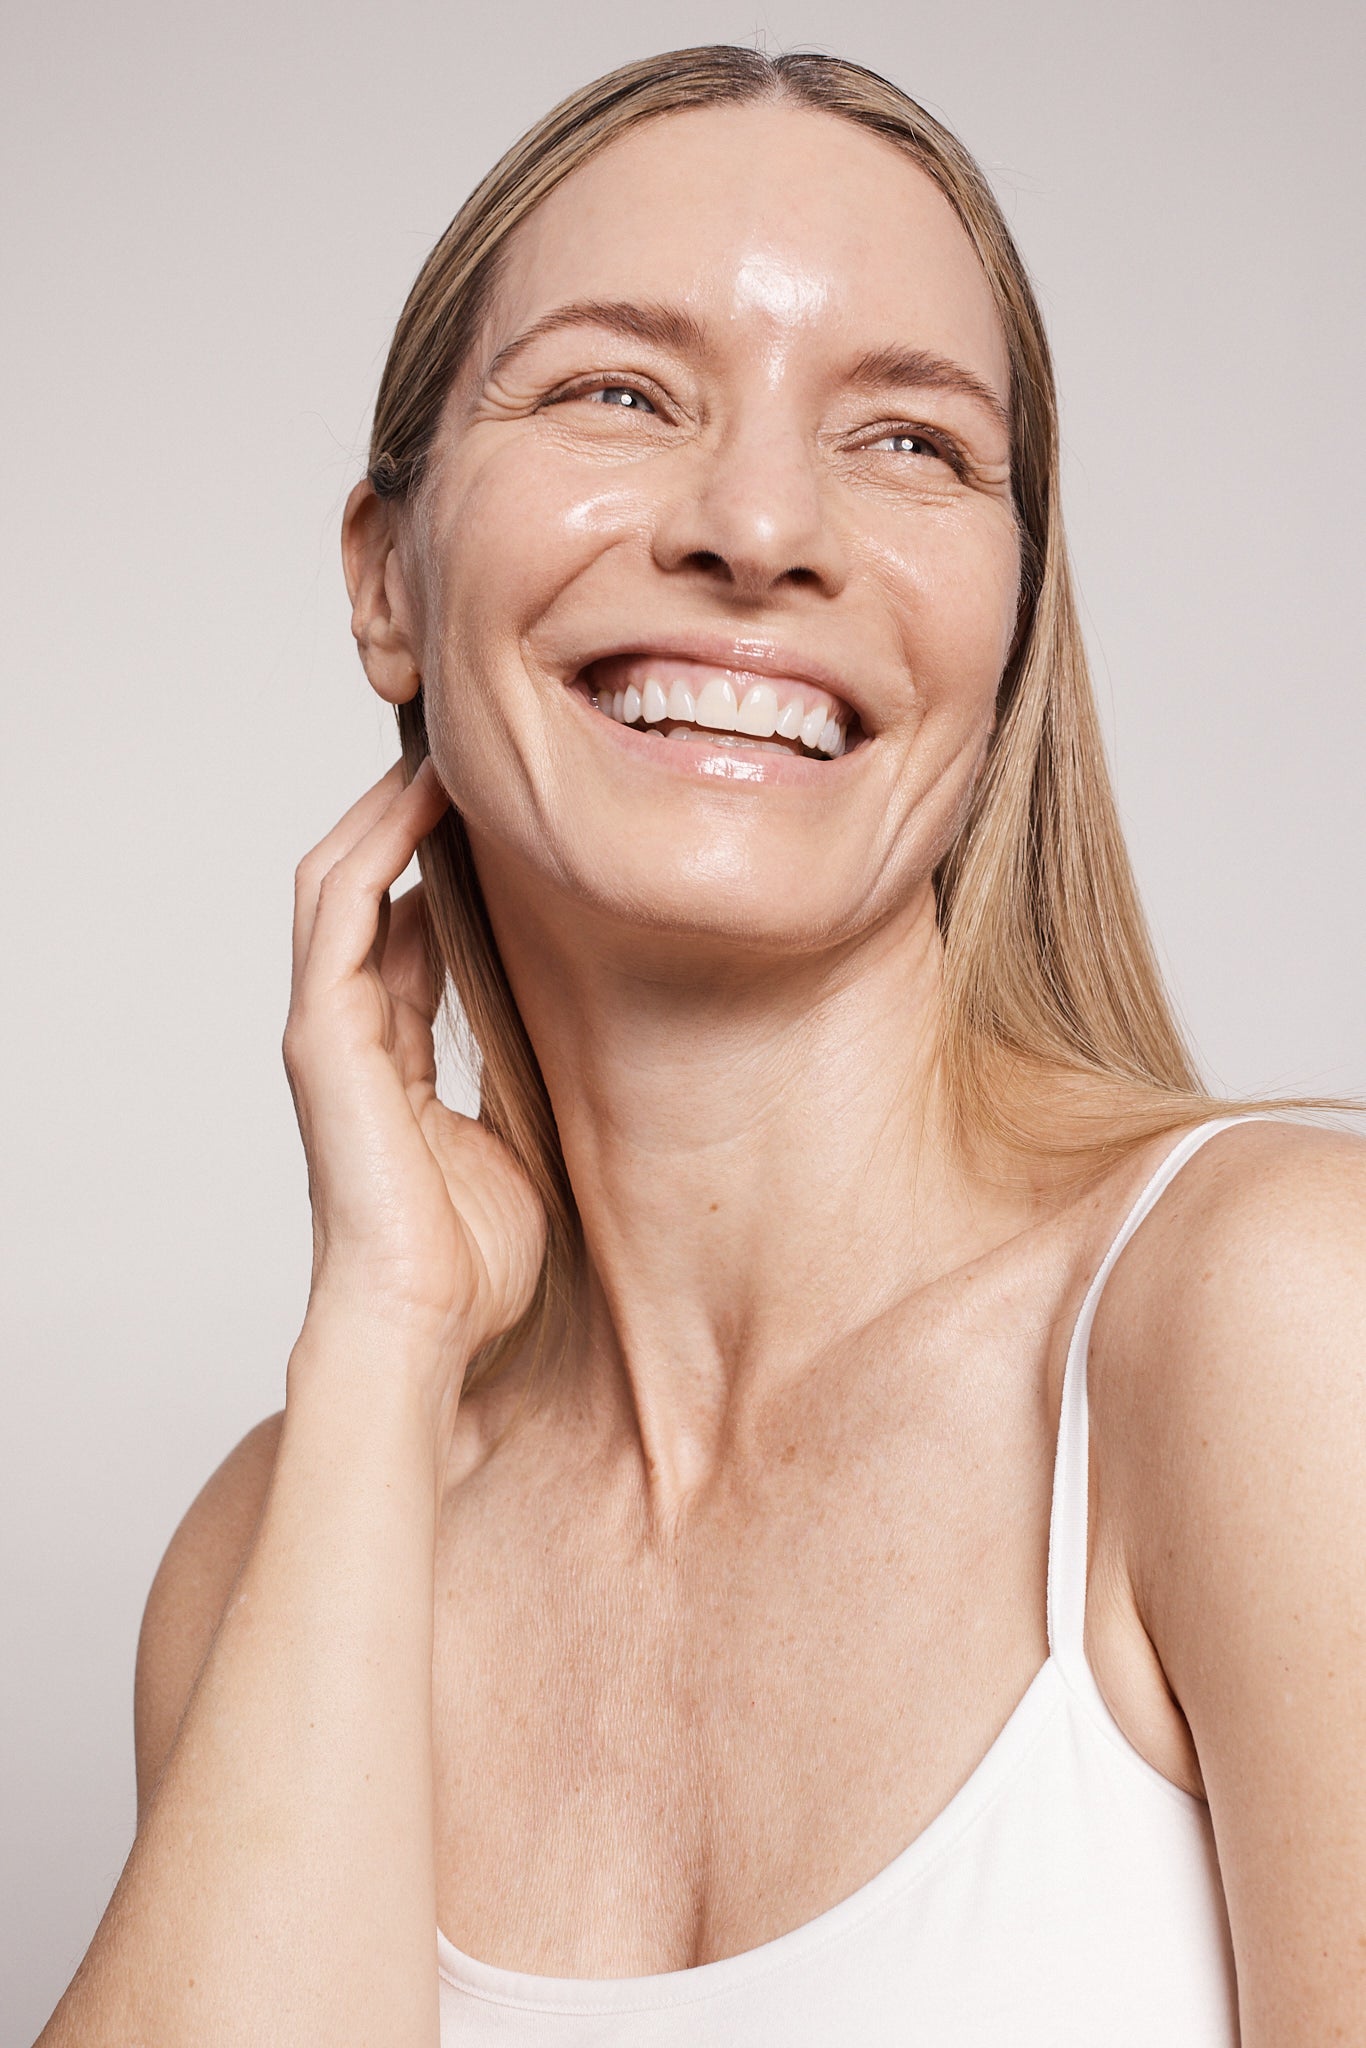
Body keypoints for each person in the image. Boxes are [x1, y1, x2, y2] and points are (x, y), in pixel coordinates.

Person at [36, 45, 1365, 2048]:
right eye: (616, 392)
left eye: (908, 442)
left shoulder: (1273, 1325)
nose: (758, 525)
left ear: (1003, 640)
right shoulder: (276, 1540)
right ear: (386, 581)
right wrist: (384, 1340)